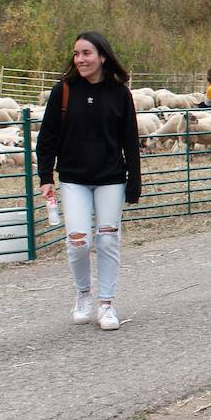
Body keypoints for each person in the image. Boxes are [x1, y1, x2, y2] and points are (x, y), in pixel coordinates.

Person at [36, 31, 142, 332]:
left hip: (110, 178)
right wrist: (46, 176)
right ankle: (83, 293)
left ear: (102, 56)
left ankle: (106, 303)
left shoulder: (120, 93)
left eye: (87, 53)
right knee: (78, 241)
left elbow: (130, 142)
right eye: (77, 54)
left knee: (108, 240)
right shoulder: (64, 91)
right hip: (74, 179)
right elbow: (47, 139)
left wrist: (134, 182)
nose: (80, 59)